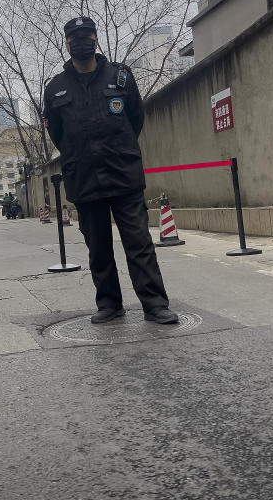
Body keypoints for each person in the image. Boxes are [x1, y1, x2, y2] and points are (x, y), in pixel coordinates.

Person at [44, 16, 178, 325]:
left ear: (96, 39)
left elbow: (135, 120)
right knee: (98, 248)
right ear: (66, 43)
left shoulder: (120, 76)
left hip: (123, 175)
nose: (82, 41)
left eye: (87, 35)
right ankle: (109, 304)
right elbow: (58, 134)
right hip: (85, 179)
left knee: (139, 243)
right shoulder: (55, 89)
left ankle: (155, 304)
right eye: (75, 37)